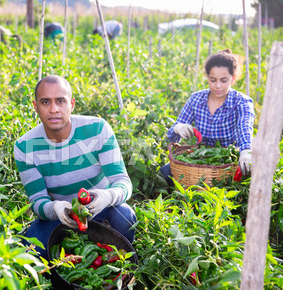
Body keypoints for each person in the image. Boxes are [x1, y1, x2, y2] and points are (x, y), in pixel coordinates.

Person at [14, 75, 137, 258]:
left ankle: (116, 260)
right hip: (60, 216)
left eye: (60, 101)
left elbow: (122, 182)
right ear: (35, 107)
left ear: (72, 104)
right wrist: (55, 209)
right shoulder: (25, 146)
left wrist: (106, 196)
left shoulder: (97, 129)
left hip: (100, 208)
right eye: (45, 102)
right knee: (31, 249)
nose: (54, 109)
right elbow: (37, 201)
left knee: (125, 216)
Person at [160, 49, 254, 185]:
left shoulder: (241, 101)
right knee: (166, 172)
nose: (217, 86)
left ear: (232, 79)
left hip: (229, 160)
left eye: (224, 80)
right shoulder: (196, 99)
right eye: (213, 80)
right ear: (207, 77)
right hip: (201, 158)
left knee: (245, 178)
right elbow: (173, 137)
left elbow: (244, 127)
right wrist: (177, 128)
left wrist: (245, 151)